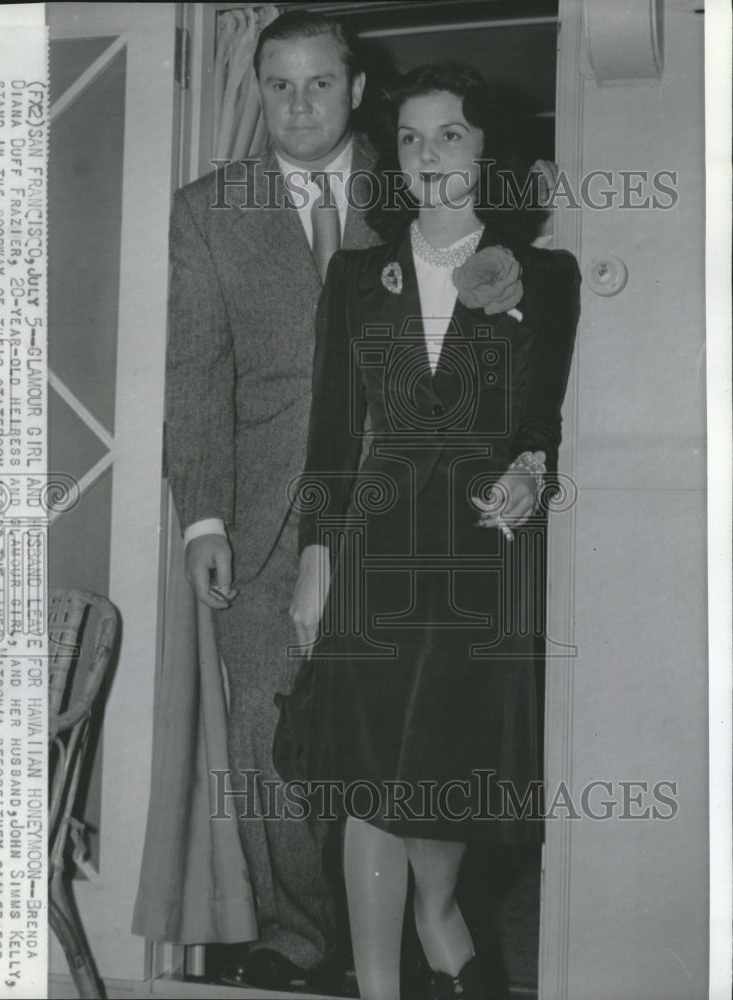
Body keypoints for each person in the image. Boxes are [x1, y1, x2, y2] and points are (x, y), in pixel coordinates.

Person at [290, 63, 580, 1000]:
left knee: (434, 805)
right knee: (368, 784)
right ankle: (379, 988)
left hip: (473, 558)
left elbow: (539, 423)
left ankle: (441, 929)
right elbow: (332, 434)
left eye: (447, 135)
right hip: (374, 547)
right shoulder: (352, 276)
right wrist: (314, 558)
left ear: (486, 148)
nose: (426, 157)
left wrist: (528, 477)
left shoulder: (543, 275)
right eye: (409, 138)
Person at [165, 10, 381, 992]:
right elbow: (196, 374)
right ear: (258, 91)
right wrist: (203, 518)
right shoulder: (209, 209)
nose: (300, 106)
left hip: (395, 517)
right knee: (268, 738)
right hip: (259, 526)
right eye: (280, 86)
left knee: (390, 734)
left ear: (356, 90)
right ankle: (301, 936)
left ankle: (398, 932)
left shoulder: (425, 180)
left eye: (320, 84)